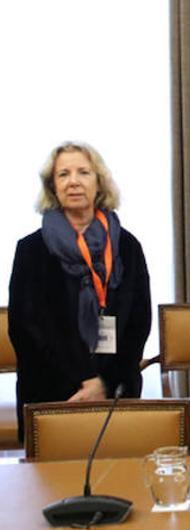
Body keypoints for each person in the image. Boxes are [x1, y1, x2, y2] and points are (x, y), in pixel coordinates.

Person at [8, 142, 151, 441]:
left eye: (83, 172)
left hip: (116, 391)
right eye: (63, 174)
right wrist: (84, 381)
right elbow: (24, 328)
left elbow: (139, 323)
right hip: (52, 395)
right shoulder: (31, 250)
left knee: (118, 481)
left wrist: (105, 383)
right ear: (53, 186)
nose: (73, 181)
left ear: (98, 182)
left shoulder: (127, 246)